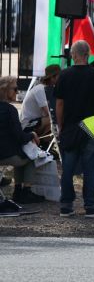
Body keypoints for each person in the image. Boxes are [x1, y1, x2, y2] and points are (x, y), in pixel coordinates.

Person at [54, 41, 94, 218]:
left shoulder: (64, 75)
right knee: (89, 167)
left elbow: (59, 104)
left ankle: (66, 205)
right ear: (88, 54)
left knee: (67, 168)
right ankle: (90, 205)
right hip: (91, 127)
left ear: (73, 55)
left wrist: (60, 126)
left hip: (70, 126)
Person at [0, 76, 45, 206]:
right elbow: (19, 136)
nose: (17, 92)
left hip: (4, 152)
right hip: (6, 154)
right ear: (6, 91)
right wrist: (32, 134)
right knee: (31, 157)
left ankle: (18, 190)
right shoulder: (10, 110)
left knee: (21, 156)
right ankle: (26, 191)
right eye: (15, 89)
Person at [19, 64, 60, 139]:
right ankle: (44, 140)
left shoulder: (48, 89)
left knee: (54, 119)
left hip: (37, 121)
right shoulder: (40, 89)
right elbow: (49, 112)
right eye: (59, 76)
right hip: (27, 125)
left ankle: (45, 142)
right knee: (53, 119)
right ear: (52, 78)